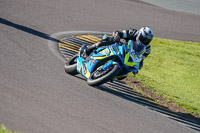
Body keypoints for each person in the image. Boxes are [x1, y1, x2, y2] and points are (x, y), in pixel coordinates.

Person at [79, 26, 154, 72]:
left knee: (126, 72)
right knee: (107, 41)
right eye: (143, 38)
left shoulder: (147, 49)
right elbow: (118, 32)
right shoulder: (133, 32)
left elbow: (141, 59)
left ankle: (109, 73)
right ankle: (88, 49)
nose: (144, 41)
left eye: (147, 40)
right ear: (139, 34)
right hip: (119, 45)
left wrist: (139, 66)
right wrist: (116, 36)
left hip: (128, 56)